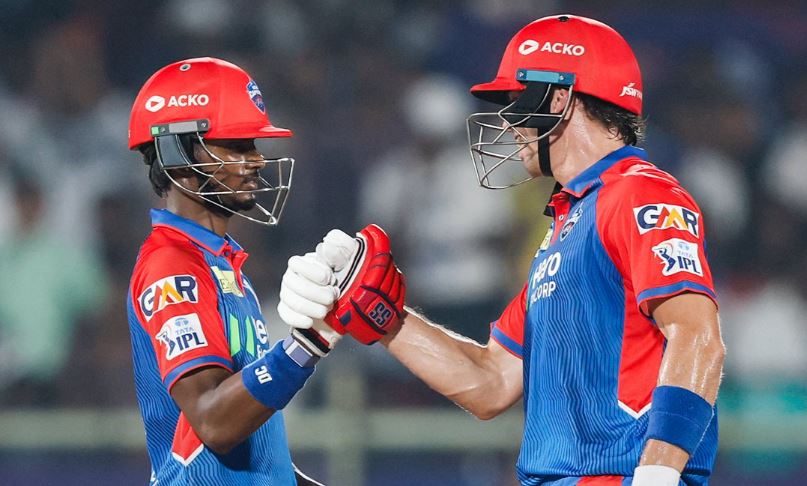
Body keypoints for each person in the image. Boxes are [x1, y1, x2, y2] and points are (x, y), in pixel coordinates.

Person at [278, 15, 725, 486]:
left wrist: (658, 472)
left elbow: (697, 336)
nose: (509, 123)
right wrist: (385, 316)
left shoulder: (637, 192)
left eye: (517, 101)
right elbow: (490, 383)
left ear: (558, 98)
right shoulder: (571, 223)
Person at [126, 57, 330, 485]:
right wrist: (312, 340)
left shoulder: (219, 264)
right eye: (236, 145)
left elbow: (257, 452)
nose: (256, 160)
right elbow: (214, 422)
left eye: (252, 144)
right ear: (177, 155)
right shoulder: (172, 266)